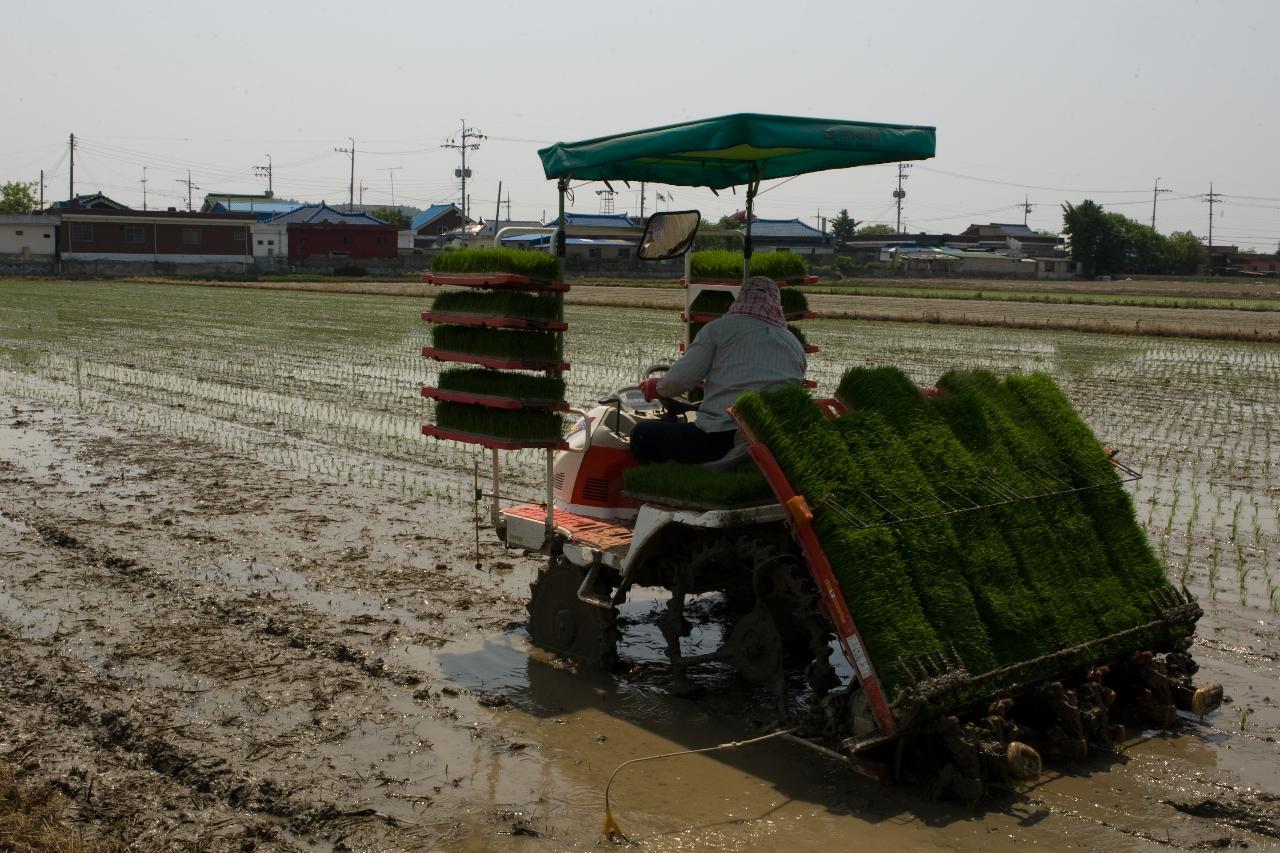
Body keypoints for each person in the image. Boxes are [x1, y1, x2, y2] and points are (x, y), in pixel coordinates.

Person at [630, 275, 806, 464]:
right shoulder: (794, 344)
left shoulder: (719, 329)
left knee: (642, 434)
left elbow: (681, 379)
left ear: (741, 298)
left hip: (720, 437)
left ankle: (668, 481)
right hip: (771, 440)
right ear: (776, 303)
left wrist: (656, 387)